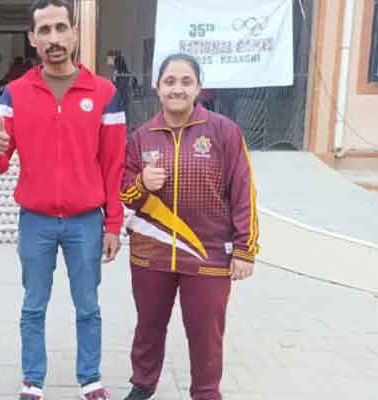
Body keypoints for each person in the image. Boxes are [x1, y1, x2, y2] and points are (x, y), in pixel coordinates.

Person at [0, 1, 126, 399]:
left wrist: (113, 223)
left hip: (86, 221)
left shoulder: (104, 93)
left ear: (74, 33)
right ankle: (33, 379)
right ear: (32, 38)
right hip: (36, 221)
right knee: (33, 306)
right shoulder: (14, 94)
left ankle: (90, 378)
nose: (54, 38)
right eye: (44, 30)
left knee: (88, 306)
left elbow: (113, 165)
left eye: (61, 28)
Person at [119, 53, 260, 400]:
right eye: (169, 81)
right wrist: (142, 183)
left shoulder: (224, 132)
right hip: (151, 252)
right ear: (157, 87)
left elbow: (244, 191)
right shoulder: (142, 136)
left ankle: (206, 392)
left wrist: (245, 249)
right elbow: (125, 194)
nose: (177, 89)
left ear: (198, 88)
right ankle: (142, 384)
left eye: (186, 82)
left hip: (207, 253)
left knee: (206, 333)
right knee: (149, 326)